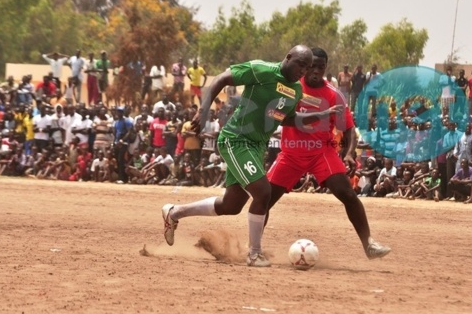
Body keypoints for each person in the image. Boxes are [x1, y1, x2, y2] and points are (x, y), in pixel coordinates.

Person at [161, 45, 338, 267]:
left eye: (307, 67)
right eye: (300, 64)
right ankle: (254, 254)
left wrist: (320, 115)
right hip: (236, 139)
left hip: (256, 147)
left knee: (231, 205)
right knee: (263, 192)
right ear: (288, 57)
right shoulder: (261, 69)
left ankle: (174, 212)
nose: (303, 70)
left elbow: (287, 119)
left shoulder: (296, 90)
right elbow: (222, 79)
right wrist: (203, 110)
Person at [265, 47, 391, 259]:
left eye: (320, 67)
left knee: (348, 195)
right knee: (264, 199)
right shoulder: (292, 87)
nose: (315, 71)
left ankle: (369, 244)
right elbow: (275, 114)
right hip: (291, 153)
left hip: (321, 153)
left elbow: (349, 128)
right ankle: (254, 247)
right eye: (311, 66)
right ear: (305, 66)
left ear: (325, 69)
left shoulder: (334, 95)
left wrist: (350, 153)